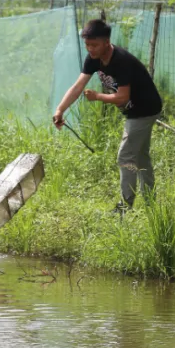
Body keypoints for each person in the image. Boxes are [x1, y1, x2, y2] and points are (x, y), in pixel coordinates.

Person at [53, 19, 163, 212]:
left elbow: (122, 97)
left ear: (106, 42)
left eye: (94, 45)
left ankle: (125, 206)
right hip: (134, 110)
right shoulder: (93, 59)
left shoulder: (121, 61)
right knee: (141, 157)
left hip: (144, 110)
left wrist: (97, 96)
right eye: (87, 45)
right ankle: (151, 202)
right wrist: (60, 110)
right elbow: (78, 86)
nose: (90, 49)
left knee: (125, 156)